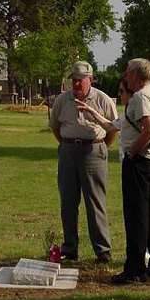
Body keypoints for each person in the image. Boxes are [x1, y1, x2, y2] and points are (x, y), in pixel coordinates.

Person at [49, 60, 117, 263]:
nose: (76, 84)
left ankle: (102, 250)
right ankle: (70, 248)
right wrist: (68, 144)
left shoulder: (102, 100)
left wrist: (101, 145)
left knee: (95, 202)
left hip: (93, 151)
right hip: (68, 151)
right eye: (74, 80)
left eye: (80, 80)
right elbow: (55, 126)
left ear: (91, 79)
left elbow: (113, 129)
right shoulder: (63, 100)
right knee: (68, 202)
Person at [110, 58, 150, 284]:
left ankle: (134, 269)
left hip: (140, 163)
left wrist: (132, 152)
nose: (125, 75)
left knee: (136, 216)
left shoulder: (141, 96)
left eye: (128, 72)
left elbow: (149, 128)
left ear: (137, 75)